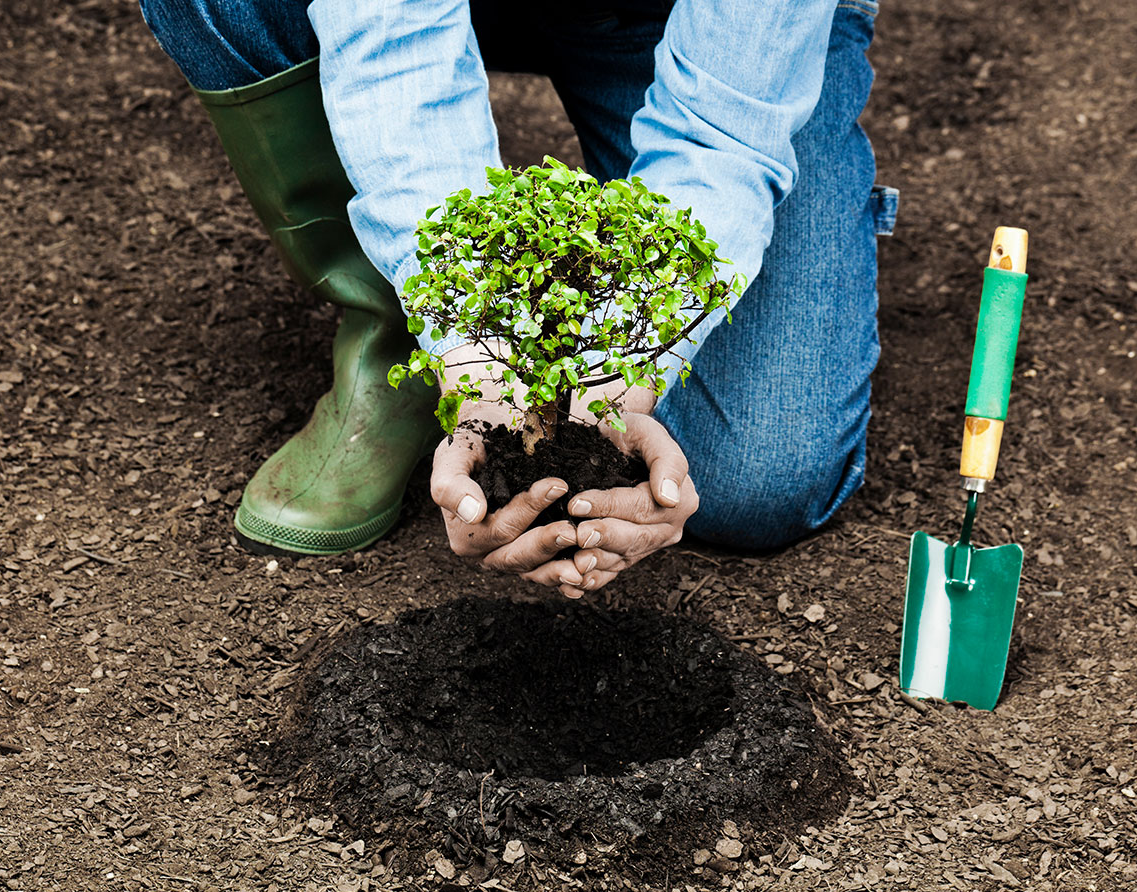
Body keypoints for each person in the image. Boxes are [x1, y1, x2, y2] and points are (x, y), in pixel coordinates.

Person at [139, 0, 896, 596]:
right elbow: (394, 43)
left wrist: (626, 367)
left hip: (678, 23)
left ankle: (544, 318)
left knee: (753, 481)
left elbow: (722, 131)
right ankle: (396, 332)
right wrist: (473, 350)